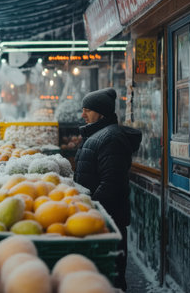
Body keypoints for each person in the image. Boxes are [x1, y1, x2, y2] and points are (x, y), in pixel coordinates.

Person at [74, 88, 142, 292]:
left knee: (111, 275)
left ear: (101, 113)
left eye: (87, 110)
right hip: (98, 217)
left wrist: (92, 207)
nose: (83, 115)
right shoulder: (99, 135)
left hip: (108, 219)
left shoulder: (110, 138)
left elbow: (111, 183)